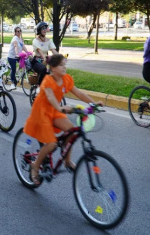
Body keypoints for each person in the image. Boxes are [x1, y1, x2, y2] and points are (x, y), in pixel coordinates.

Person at [24, 54, 103, 185]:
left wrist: (93, 104)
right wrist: (60, 108)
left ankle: (67, 161)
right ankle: (35, 166)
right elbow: (50, 96)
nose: (64, 67)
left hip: (55, 111)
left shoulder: (66, 79)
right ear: (53, 68)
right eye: (61, 65)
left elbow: (79, 93)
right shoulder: (48, 80)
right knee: (52, 144)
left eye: (64, 64)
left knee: (71, 131)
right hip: (41, 113)